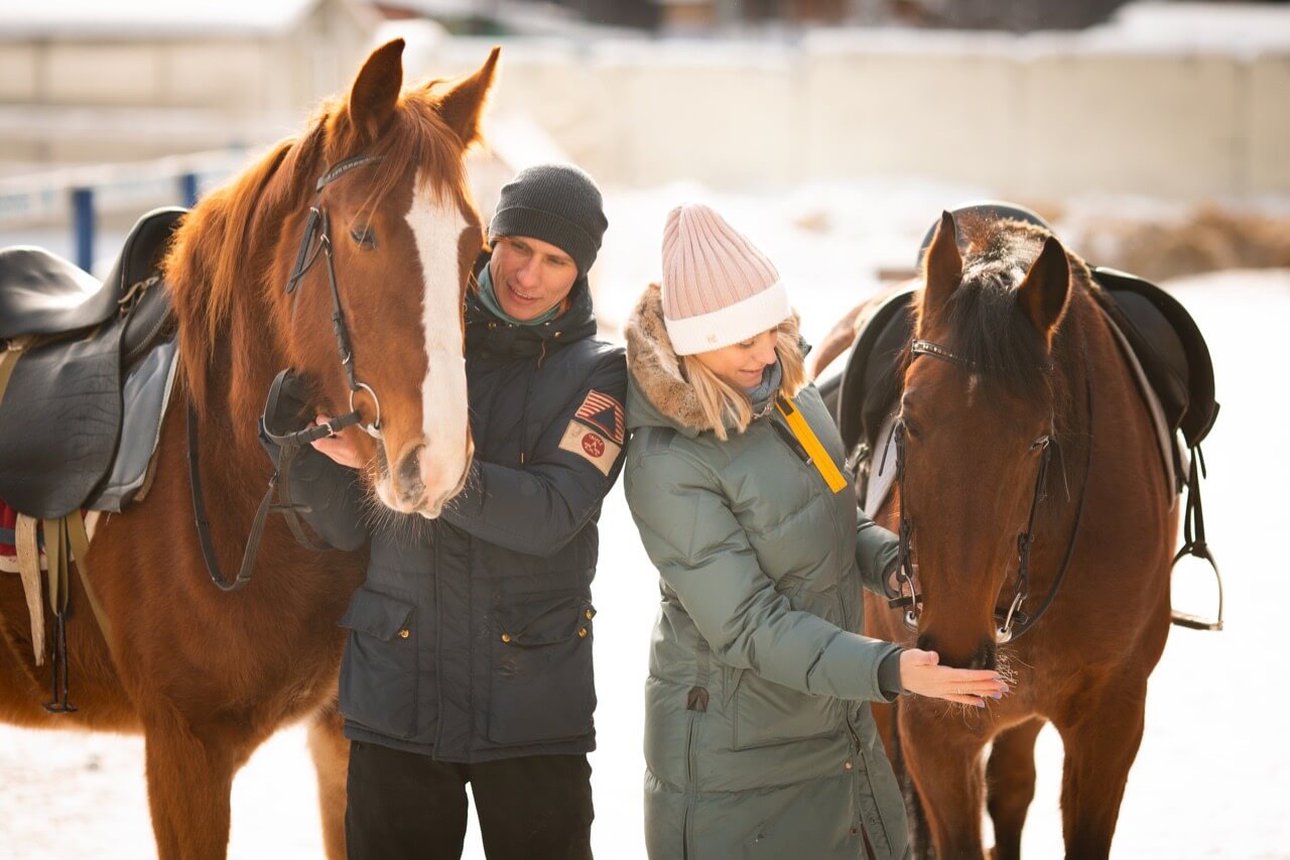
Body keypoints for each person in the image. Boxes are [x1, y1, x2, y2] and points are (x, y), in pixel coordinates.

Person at [621, 203, 1008, 859]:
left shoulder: (789, 398)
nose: (766, 351)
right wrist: (891, 668)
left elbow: (838, 520)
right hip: (733, 760)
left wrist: (893, 566)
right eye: (741, 339)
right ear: (689, 342)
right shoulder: (668, 463)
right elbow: (749, 625)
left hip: (830, 726)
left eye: (772, 329)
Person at [295, 164, 625, 859]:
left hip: (530, 707)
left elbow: (550, 514)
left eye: (555, 260)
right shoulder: (407, 349)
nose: (527, 275)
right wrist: (307, 447)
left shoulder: (599, 374)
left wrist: (419, 467)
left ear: (580, 271)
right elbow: (344, 526)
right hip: (397, 697)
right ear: (489, 238)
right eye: (517, 247)